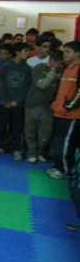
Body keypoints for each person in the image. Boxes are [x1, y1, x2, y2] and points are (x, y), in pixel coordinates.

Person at [0, 43, 32, 160]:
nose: (27, 53)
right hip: (5, 102)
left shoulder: (28, 68)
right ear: (18, 52)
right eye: (25, 51)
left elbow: (27, 87)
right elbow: (1, 84)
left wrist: (17, 100)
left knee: (17, 127)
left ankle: (17, 149)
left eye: (28, 51)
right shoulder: (6, 66)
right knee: (2, 125)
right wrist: (6, 100)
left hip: (18, 104)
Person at [47, 41, 80, 180]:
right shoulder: (67, 68)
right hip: (59, 112)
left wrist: (69, 106)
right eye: (64, 51)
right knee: (58, 142)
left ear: (77, 53)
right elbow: (60, 89)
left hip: (72, 115)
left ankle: (65, 170)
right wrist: (55, 103)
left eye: (68, 51)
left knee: (67, 144)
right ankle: (58, 166)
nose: (64, 54)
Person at [24, 50, 63, 163]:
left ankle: (40, 152)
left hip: (48, 106)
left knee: (45, 132)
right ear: (52, 60)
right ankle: (31, 153)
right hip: (33, 104)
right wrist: (52, 72)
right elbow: (41, 84)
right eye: (59, 63)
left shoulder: (60, 71)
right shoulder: (39, 68)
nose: (60, 66)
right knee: (30, 131)